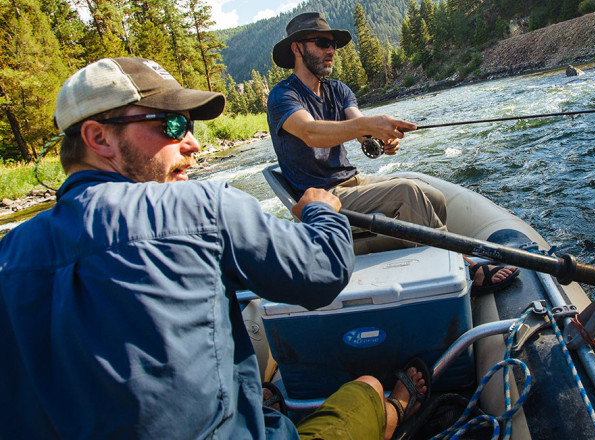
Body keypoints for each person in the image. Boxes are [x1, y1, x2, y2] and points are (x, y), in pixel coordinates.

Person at [0, 57, 426, 440]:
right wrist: (322, 212)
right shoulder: (199, 207)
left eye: (190, 125)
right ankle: (395, 409)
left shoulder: (8, 255)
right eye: (170, 125)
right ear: (99, 138)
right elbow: (325, 271)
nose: (193, 142)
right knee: (365, 390)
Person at [267, 12, 519, 292]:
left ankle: (433, 266)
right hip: (322, 197)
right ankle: (467, 268)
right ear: (296, 48)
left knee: (431, 194)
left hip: (354, 182)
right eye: (321, 43)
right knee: (406, 192)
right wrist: (368, 124)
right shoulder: (283, 96)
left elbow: (358, 125)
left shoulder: (337, 90)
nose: (330, 51)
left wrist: (380, 138)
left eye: (333, 45)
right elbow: (310, 132)